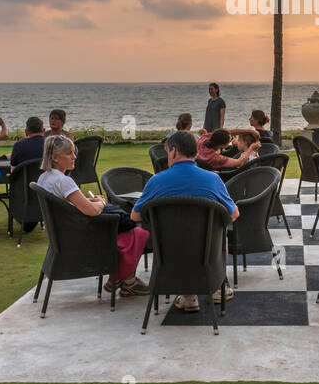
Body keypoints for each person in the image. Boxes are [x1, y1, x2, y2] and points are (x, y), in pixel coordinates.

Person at [132, 130, 238, 312]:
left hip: (169, 252)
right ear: (196, 153)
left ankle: (188, 296)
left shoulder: (156, 181)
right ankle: (219, 286)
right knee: (219, 233)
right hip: (206, 252)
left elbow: (135, 216)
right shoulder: (212, 179)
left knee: (178, 237)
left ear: (172, 152)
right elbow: (234, 214)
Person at [38, 135, 149, 297]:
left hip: (62, 234)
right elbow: (91, 211)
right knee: (137, 232)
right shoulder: (63, 181)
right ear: (55, 157)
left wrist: (90, 201)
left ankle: (124, 280)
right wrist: (101, 203)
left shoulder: (45, 178)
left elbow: (66, 205)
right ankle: (126, 280)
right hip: (79, 237)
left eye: (73, 152)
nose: (75, 156)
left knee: (128, 230)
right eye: (69, 153)